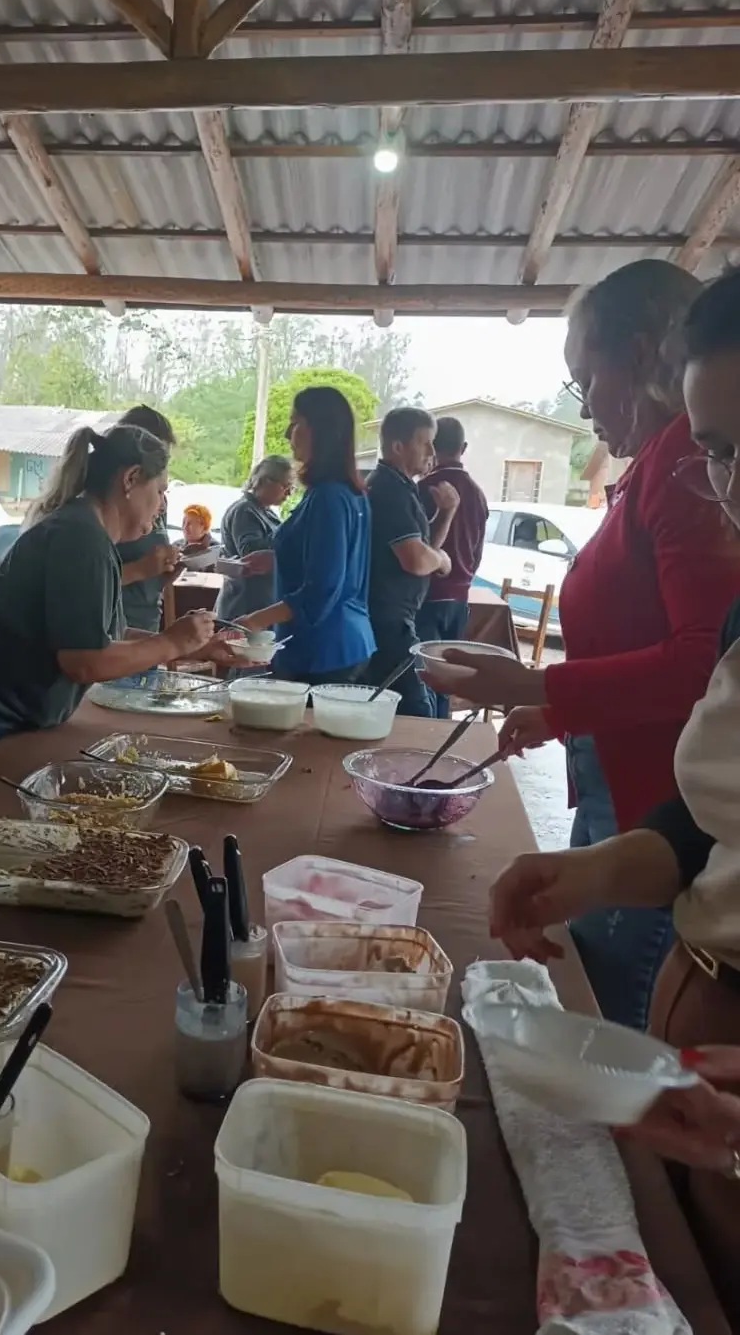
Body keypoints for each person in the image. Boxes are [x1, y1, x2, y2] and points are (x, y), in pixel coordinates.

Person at [487, 266, 740, 1324]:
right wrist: (595, 867)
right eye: (723, 453)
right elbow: (712, 815)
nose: (730, 490)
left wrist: (546, 687)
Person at [426, 260, 740, 1031]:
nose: (586, 405)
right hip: (644, 802)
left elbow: (698, 661)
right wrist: (558, 711)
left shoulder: (678, 465)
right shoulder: (665, 465)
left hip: (652, 797)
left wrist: (538, 688)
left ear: (637, 356)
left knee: (613, 1013)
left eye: (584, 378)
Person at [0, 422, 241, 764]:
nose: (161, 506)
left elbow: (93, 635)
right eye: (160, 491)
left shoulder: (86, 531)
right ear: (130, 479)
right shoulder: (82, 539)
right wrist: (171, 643)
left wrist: (193, 645)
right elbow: (84, 660)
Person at [233, 387, 374, 685]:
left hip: (322, 648)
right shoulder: (347, 493)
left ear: (319, 430)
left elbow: (322, 589)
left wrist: (255, 620)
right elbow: (330, 560)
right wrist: (275, 559)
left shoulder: (328, 497)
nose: (287, 433)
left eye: (295, 422)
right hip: (342, 640)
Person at [361, 407, 460, 718]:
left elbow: (421, 546)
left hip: (394, 619)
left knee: (400, 710)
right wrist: (443, 560)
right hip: (387, 621)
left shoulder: (402, 487)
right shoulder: (389, 490)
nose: (432, 451)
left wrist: (446, 513)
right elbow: (416, 559)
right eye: (425, 442)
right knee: (418, 714)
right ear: (398, 447)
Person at [415, 417, 489, 719]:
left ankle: (421, 738)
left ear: (431, 446)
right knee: (445, 678)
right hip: (459, 598)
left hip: (425, 596)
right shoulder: (477, 492)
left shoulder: (424, 489)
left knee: (420, 680)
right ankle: (440, 731)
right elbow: (478, 550)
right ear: (464, 448)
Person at [113, 406, 182, 632]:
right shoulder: (95, 519)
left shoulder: (154, 502)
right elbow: (84, 584)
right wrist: (140, 569)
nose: (161, 503)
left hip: (143, 627)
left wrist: (164, 569)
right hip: (117, 632)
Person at [215, 455, 293, 621]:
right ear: (265, 481)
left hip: (259, 606)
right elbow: (252, 554)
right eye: (285, 486)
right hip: (244, 608)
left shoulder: (265, 512)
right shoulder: (244, 511)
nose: (289, 493)